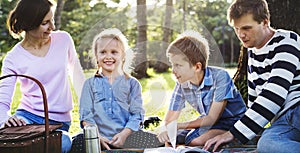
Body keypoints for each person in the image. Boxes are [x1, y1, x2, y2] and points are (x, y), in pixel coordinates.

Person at [204, 0, 300, 152]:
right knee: (267, 143)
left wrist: (234, 133)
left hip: (297, 109)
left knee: (267, 143)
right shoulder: (252, 53)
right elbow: (255, 101)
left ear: (265, 22)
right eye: (236, 29)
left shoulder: (287, 41)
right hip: (284, 122)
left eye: (247, 28)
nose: (241, 35)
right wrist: (237, 134)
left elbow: (274, 94)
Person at [0, 0, 85, 152]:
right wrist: (5, 119)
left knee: (64, 142)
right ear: (29, 23)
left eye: (51, 20)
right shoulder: (13, 58)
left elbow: (78, 78)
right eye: (45, 23)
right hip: (27, 118)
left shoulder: (63, 40)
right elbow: (3, 100)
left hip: (59, 123)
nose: (52, 28)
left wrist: (88, 115)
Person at [157, 30, 246, 147]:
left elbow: (211, 119)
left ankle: (234, 136)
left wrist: (178, 125)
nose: (173, 70)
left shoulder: (220, 77)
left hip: (232, 122)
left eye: (178, 65)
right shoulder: (182, 83)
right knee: (170, 138)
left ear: (197, 67)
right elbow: (170, 118)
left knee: (195, 141)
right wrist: (166, 130)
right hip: (208, 124)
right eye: (172, 65)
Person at [79, 28, 162, 150]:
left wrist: (124, 134)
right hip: (97, 137)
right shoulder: (89, 84)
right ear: (96, 56)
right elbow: (86, 117)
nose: (108, 56)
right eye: (103, 52)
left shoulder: (132, 84)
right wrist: (97, 137)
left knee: (158, 142)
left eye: (114, 52)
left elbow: (137, 115)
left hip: (127, 136)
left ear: (123, 55)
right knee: (77, 144)